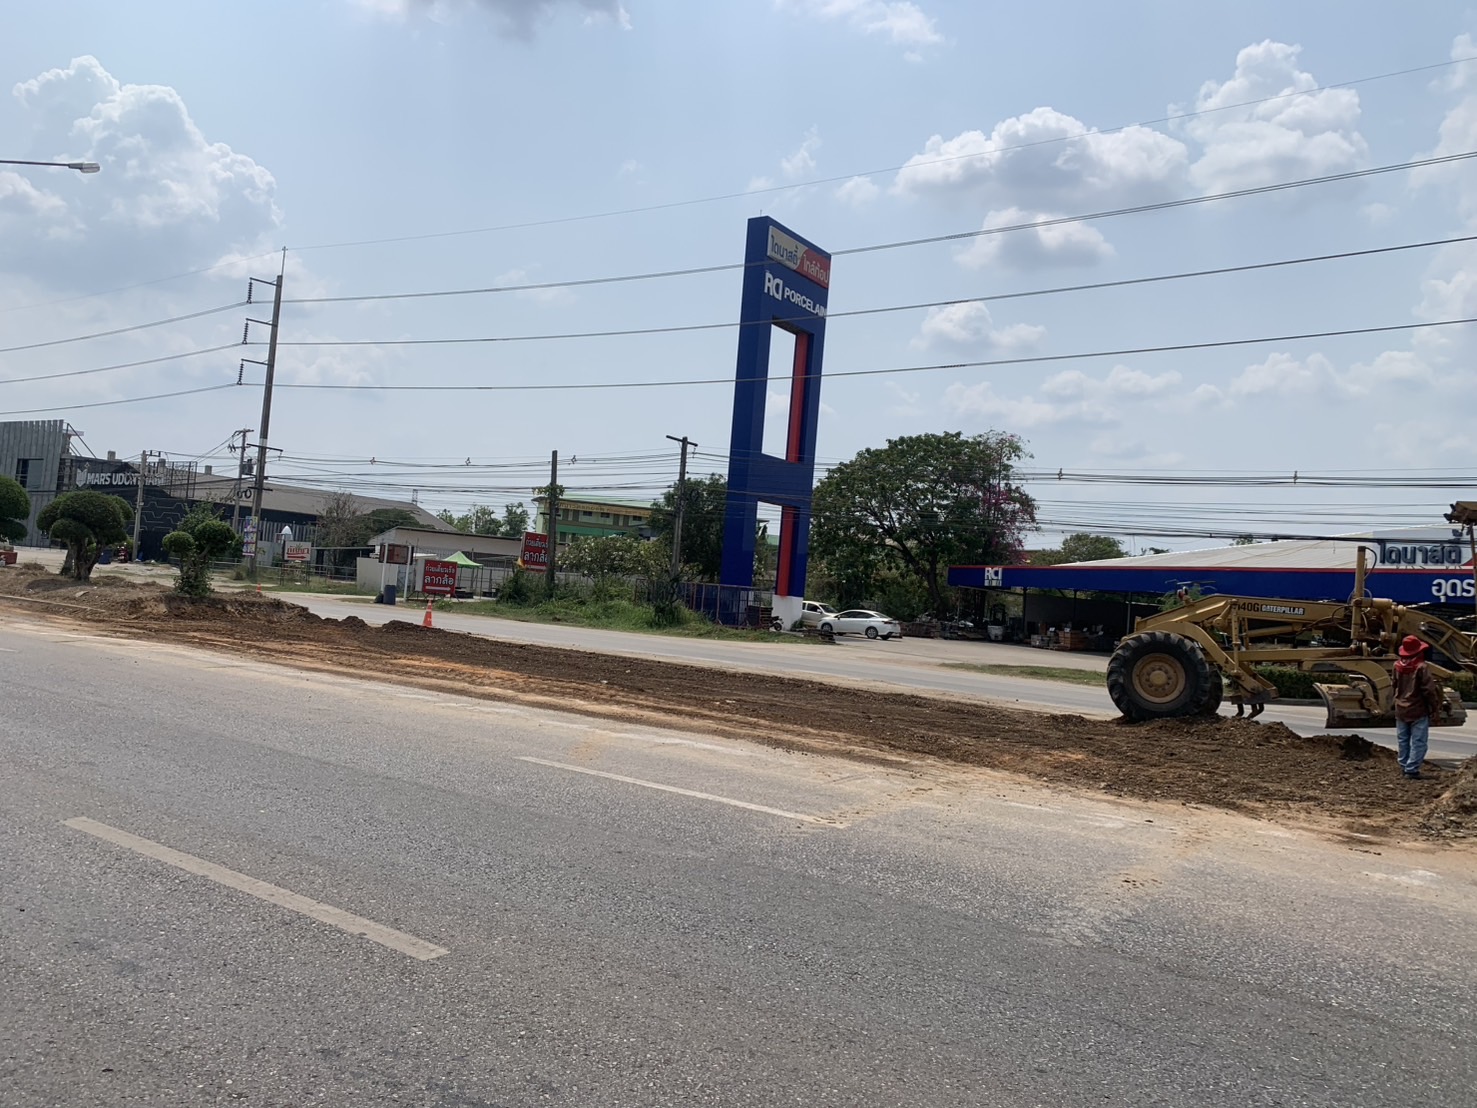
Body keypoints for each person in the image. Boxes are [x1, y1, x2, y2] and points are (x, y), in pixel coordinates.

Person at [1393, 635, 1442, 780]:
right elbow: (1429, 691)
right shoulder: (1422, 667)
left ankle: (1404, 766)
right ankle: (1412, 769)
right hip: (1418, 710)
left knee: (1403, 740)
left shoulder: (1396, 666)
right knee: (1418, 742)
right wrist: (1435, 709)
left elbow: (1394, 685)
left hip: (1401, 709)